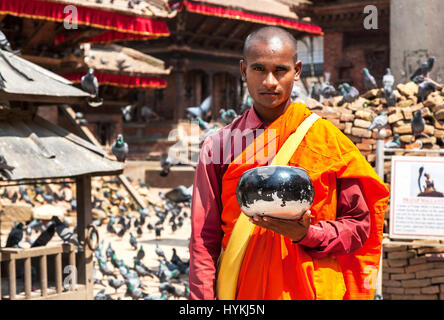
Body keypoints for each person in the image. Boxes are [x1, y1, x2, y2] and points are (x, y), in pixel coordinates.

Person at [188, 26, 389, 300]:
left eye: (280, 70)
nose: (270, 82)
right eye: (259, 69)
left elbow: (358, 227)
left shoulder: (328, 142)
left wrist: (308, 233)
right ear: (243, 70)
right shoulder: (220, 146)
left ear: (297, 70)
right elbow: (203, 237)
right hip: (240, 289)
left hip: (312, 289)